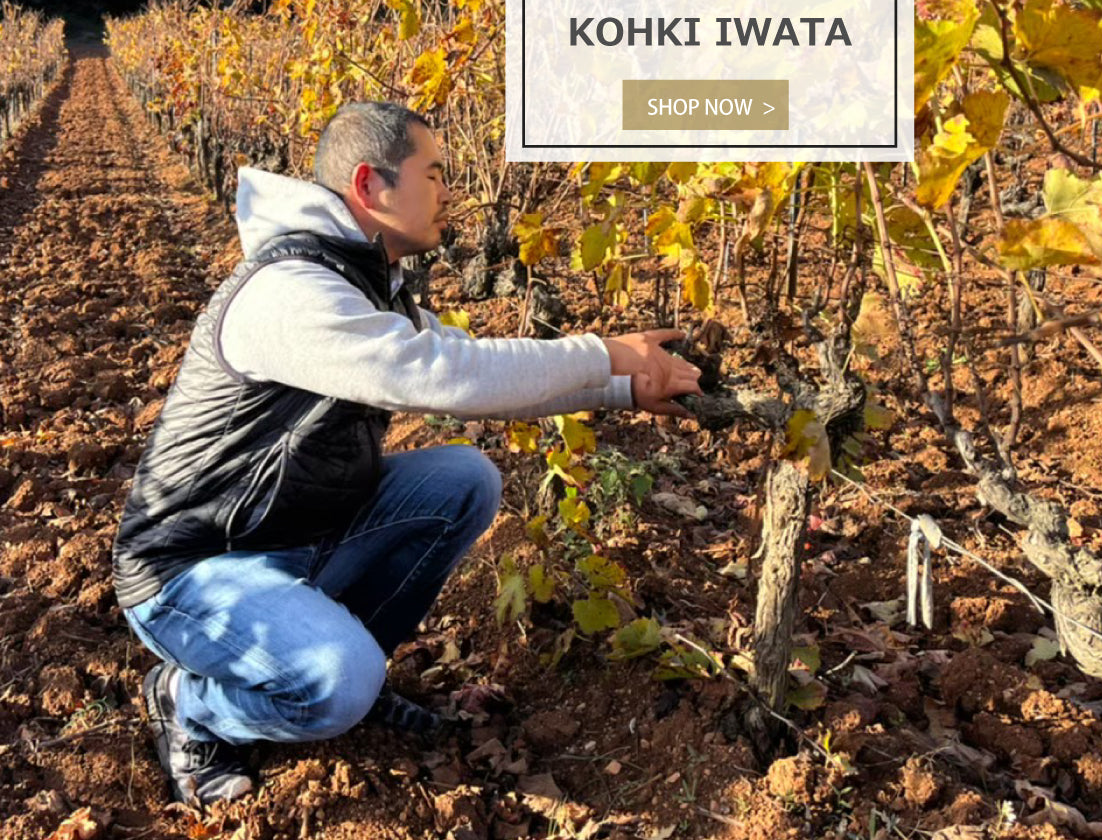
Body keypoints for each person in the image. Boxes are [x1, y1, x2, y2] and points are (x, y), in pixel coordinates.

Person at [112, 101, 702, 807]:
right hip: (195, 570)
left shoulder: (360, 284)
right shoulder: (290, 292)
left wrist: (619, 386)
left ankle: (349, 680)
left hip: (292, 540)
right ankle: (194, 702)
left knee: (461, 479)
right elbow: (440, 376)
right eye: (435, 173)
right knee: (335, 679)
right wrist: (603, 350)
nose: (451, 191)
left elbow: (461, 355)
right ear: (370, 186)